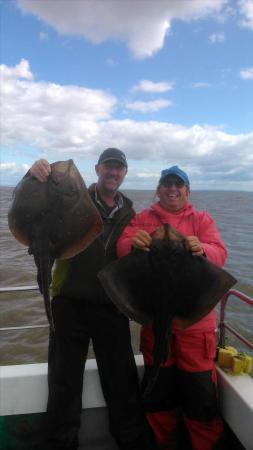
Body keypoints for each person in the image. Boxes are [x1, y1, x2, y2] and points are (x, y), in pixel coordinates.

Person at [29, 148, 156, 450]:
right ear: (97, 169)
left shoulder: (131, 214)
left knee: (121, 379)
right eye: (108, 167)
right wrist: (34, 173)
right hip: (69, 302)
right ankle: (61, 441)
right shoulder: (73, 199)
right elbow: (39, 205)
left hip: (112, 305)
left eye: (119, 169)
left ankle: (130, 440)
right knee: (64, 380)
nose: (113, 173)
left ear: (124, 174)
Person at [117, 165, 227, 450]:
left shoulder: (202, 220)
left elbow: (220, 254)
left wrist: (202, 248)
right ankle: (162, 444)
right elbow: (121, 248)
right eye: (167, 184)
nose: (172, 189)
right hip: (155, 320)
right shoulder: (143, 218)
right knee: (159, 393)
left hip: (195, 323)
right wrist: (133, 242)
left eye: (179, 185)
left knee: (199, 392)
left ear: (188, 192)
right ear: (158, 189)